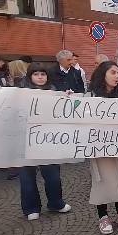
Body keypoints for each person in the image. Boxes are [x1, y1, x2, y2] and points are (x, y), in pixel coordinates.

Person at [17, 64, 72, 220]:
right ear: (30, 76)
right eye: (36, 74)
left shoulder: (53, 91)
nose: (40, 77)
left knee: (53, 175)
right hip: (25, 140)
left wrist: (66, 97)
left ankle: (56, 202)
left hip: (47, 140)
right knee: (27, 176)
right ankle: (31, 208)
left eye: (43, 74)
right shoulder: (19, 93)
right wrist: (0, 94)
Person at [87, 61, 118, 234]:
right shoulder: (90, 97)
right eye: (113, 72)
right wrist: (68, 98)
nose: (117, 76)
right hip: (100, 148)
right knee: (103, 180)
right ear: (103, 74)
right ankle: (103, 217)